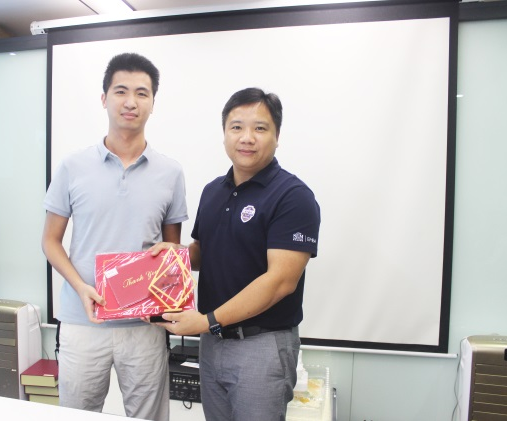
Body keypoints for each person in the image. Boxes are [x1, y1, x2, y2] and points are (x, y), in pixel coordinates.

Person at [149, 87, 320, 421]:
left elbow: (280, 281)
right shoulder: (214, 191)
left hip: (261, 346)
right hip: (213, 344)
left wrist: (205, 321)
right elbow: (204, 252)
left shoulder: (293, 196)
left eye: (260, 128)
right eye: (237, 127)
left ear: (277, 136)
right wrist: (176, 254)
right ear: (225, 134)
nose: (247, 137)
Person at [41, 52, 187, 421]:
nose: (131, 102)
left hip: (145, 326)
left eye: (142, 93)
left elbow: (171, 250)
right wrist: (80, 287)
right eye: (121, 91)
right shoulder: (72, 166)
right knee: (77, 415)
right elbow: (50, 241)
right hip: (82, 321)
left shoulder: (171, 172)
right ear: (104, 98)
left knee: (148, 417)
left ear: (153, 103)